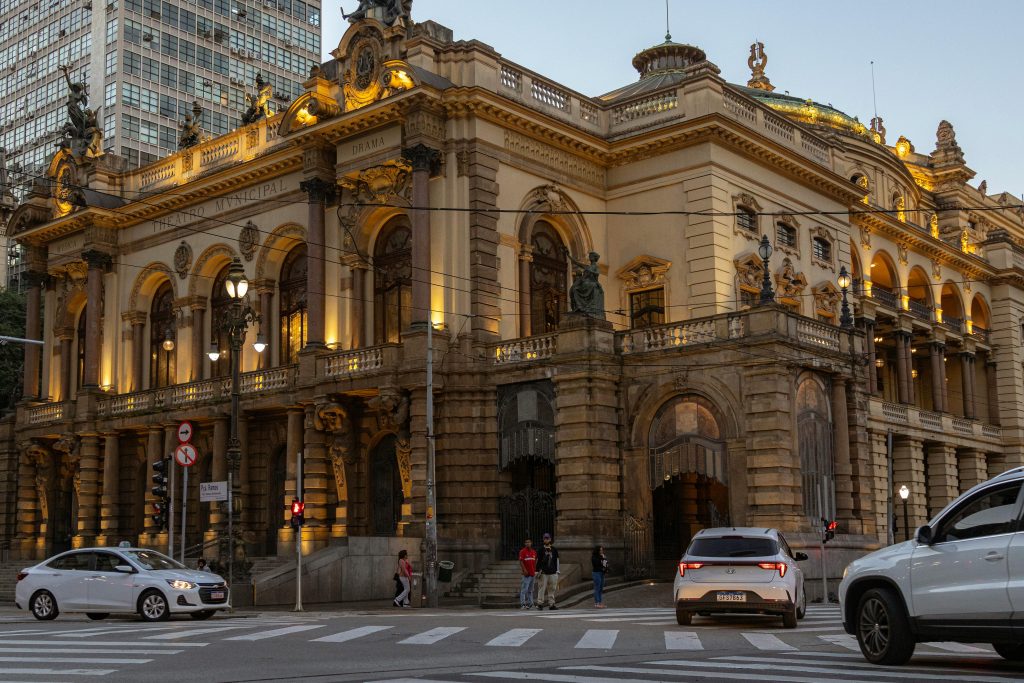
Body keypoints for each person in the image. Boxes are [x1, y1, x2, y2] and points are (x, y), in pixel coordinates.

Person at [535, 533, 560, 610]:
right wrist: (536, 571)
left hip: (553, 572)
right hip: (543, 572)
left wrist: (557, 570)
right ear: (543, 539)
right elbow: (537, 561)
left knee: (552, 589)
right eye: (545, 538)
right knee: (542, 588)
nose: (546, 540)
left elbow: (557, 560)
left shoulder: (554, 549)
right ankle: (540, 604)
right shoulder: (540, 549)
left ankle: (551, 604)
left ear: (550, 539)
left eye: (547, 538)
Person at [518, 538, 537, 609]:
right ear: (525, 544)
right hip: (526, 574)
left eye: (529, 542)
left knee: (530, 590)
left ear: (531, 543)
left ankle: (530, 603)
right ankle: (522, 604)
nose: (527, 543)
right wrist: (524, 570)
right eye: (526, 542)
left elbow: (535, 562)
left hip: (532, 574)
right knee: (524, 589)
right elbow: (521, 561)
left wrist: (535, 570)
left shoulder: (534, 552)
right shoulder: (522, 551)